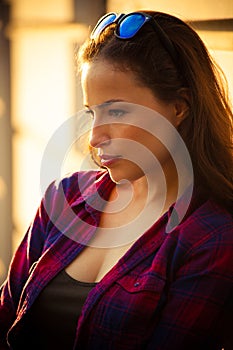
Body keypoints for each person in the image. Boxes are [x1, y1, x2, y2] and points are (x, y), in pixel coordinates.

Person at [0, 9, 233, 350]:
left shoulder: (210, 239)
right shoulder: (64, 198)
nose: (94, 138)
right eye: (93, 112)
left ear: (179, 107)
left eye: (118, 111)